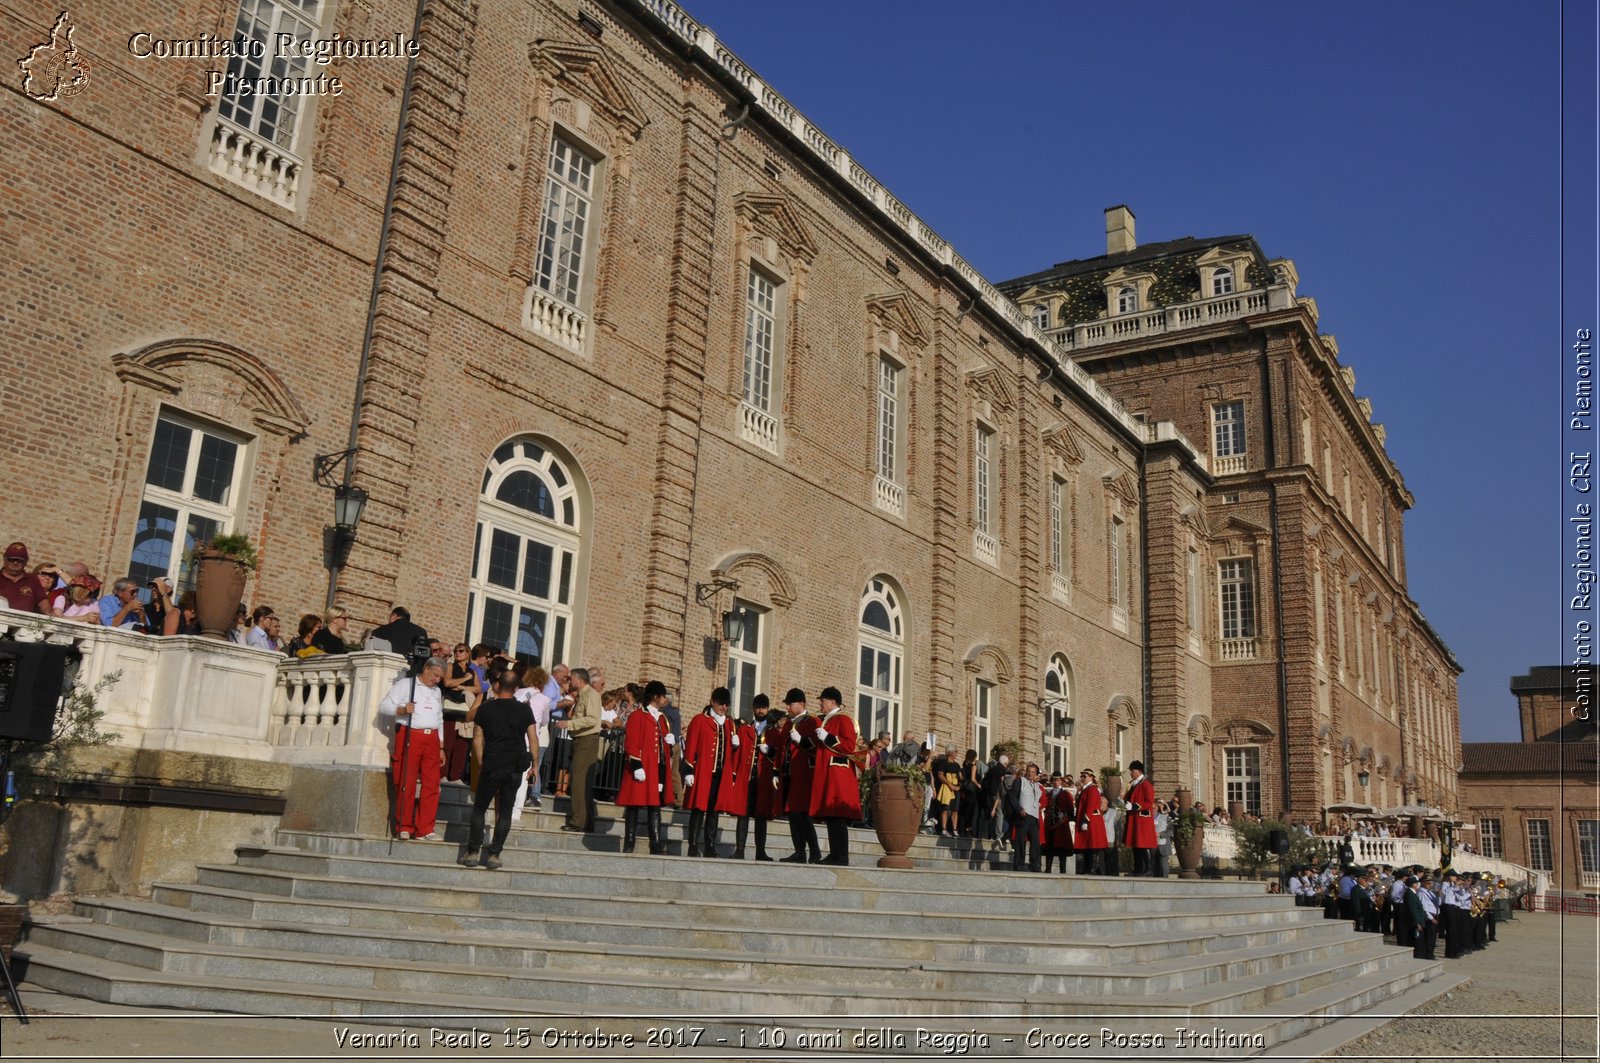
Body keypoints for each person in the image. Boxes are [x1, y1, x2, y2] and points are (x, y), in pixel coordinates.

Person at [458, 671, 537, 871]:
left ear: (498, 686)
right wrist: (534, 766)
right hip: (515, 765)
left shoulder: (485, 709)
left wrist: (481, 762)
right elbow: (533, 739)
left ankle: (473, 852)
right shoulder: (525, 710)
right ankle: (494, 854)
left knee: (479, 808)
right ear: (517, 688)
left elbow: (477, 739)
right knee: (505, 812)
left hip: (492, 762)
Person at [377, 654, 447, 841]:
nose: (436, 680)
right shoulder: (407, 685)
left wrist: (441, 746)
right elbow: (383, 706)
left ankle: (426, 828)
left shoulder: (437, 692)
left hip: (431, 738)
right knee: (406, 782)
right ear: (426, 669)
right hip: (410, 735)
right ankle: (404, 825)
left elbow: (439, 718)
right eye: (434, 675)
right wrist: (401, 710)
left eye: (440, 677)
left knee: (432, 784)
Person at [616, 680, 675, 854]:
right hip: (641, 767)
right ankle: (629, 842)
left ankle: (655, 843)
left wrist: (670, 744)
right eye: (663, 696)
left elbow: (660, 745)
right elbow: (632, 743)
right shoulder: (637, 716)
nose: (666, 700)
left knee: (654, 805)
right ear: (655, 697)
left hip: (657, 768)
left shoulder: (663, 719)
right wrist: (636, 765)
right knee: (634, 805)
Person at [681, 687, 740, 857]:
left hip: (721, 774)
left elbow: (730, 753)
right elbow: (691, 745)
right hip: (703, 772)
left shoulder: (730, 724)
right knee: (699, 808)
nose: (723, 706)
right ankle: (693, 845)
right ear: (713, 702)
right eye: (721, 703)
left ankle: (710, 846)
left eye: (726, 704)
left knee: (714, 811)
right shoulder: (700, 720)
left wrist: (736, 745)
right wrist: (688, 770)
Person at [809, 686, 861, 865]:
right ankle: (834, 854)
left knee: (838, 816)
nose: (821, 704)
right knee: (831, 816)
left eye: (823, 701)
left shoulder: (843, 719)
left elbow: (849, 746)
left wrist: (828, 737)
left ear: (832, 702)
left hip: (838, 775)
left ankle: (842, 856)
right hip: (829, 774)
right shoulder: (828, 720)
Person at [776, 687, 821, 864]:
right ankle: (799, 851)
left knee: (803, 815)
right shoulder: (788, 723)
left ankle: (815, 852)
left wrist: (801, 740)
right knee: (792, 814)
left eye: (790, 704)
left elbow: (817, 748)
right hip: (789, 774)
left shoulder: (812, 722)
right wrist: (776, 770)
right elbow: (782, 748)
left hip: (803, 775)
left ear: (801, 704)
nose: (788, 708)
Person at [732, 693, 774, 860]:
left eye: (763, 708)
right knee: (743, 814)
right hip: (747, 778)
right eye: (758, 708)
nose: (760, 711)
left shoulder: (772, 731)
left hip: (763, 779)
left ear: (767, 709)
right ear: (753, 709)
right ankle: (740, 849)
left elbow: (778, 754)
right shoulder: (744, 729)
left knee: (761, 816)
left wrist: (770, 750)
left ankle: (760, 852)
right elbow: (738, 754)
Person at [561, 667, 603, 834]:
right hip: (582, 740)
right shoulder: (584, 695)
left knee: (580, 781)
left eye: (571, 679)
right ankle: (586, 821)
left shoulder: (590, 694)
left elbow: (592, 719)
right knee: (583, 782)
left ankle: (579, 821)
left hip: (587, 740)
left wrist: (569, 724)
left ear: (579, 679)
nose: (569, 682)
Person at [1123, 760, 1158, 876]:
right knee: (1135, 845)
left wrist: (1134, 806)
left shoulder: (1146, 785)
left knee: (1142, 846)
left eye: (1132, 771)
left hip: (1142, 819)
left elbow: (1149, 802)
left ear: (1138, 771)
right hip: (1134, 818)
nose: (1130, 773)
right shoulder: (1133, 784)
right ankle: (1138, 869)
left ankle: (1148, 869)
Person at [1007, 763, 1043, 873]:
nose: (1030, 774)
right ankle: (1019, 865)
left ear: (1036, 774)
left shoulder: (1037, 786)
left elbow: (1040, 796)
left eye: (1032, 772)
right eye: (1028, 771)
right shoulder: (1019, 781)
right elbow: (1012, 796)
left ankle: (1034, 865)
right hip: (1023, 815)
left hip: (1034, 816)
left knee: (1035, 841)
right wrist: (1019, 809)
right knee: (1020, 841)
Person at [1076, 769, 1109, 874]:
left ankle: (1091, 869)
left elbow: (1091, 806)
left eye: (1085, 776)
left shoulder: (1092, 789)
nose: (1082, 778)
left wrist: (1086, 819)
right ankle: (1087, 868)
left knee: (1092, 846)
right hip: (1088, 820)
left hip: (1091, 822)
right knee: (1087, 846)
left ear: (1091, 777)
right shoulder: (1086, 789)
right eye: (1081, 776)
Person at [0, 543, 50, 613]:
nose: (15, 563)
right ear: (5, 558)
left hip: (25, 622)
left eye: (19, 560)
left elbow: (43, 601)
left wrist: (49, 614)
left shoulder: (32, 579)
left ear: (26, 561)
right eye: (12, 559)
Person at [1042, 773, 1075, 874]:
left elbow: (1070, 809)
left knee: (1062, 848)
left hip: (1061, 825)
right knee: (1049, 847)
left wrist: (1065, 816)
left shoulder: (1065, 794)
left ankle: (1063, 870)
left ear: (1061, 781)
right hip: (1050, 824)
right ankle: (1048, 869)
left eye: (1058, 780)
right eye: (1054, 781)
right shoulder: (1049, 794)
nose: (1055, 783)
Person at [1406, 875, 1439, 960]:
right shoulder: (1421, 892)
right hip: (1429, 917)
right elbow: (1423, 907)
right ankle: (1429, 954)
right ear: (1423, 883)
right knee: (1429, 938)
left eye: (1430, 883)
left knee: (1433, 938)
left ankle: (1430, 953)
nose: (1429, 884)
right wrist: (1431, 918)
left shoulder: (1430, 892)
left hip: (1434, 915)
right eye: (1427, 883)